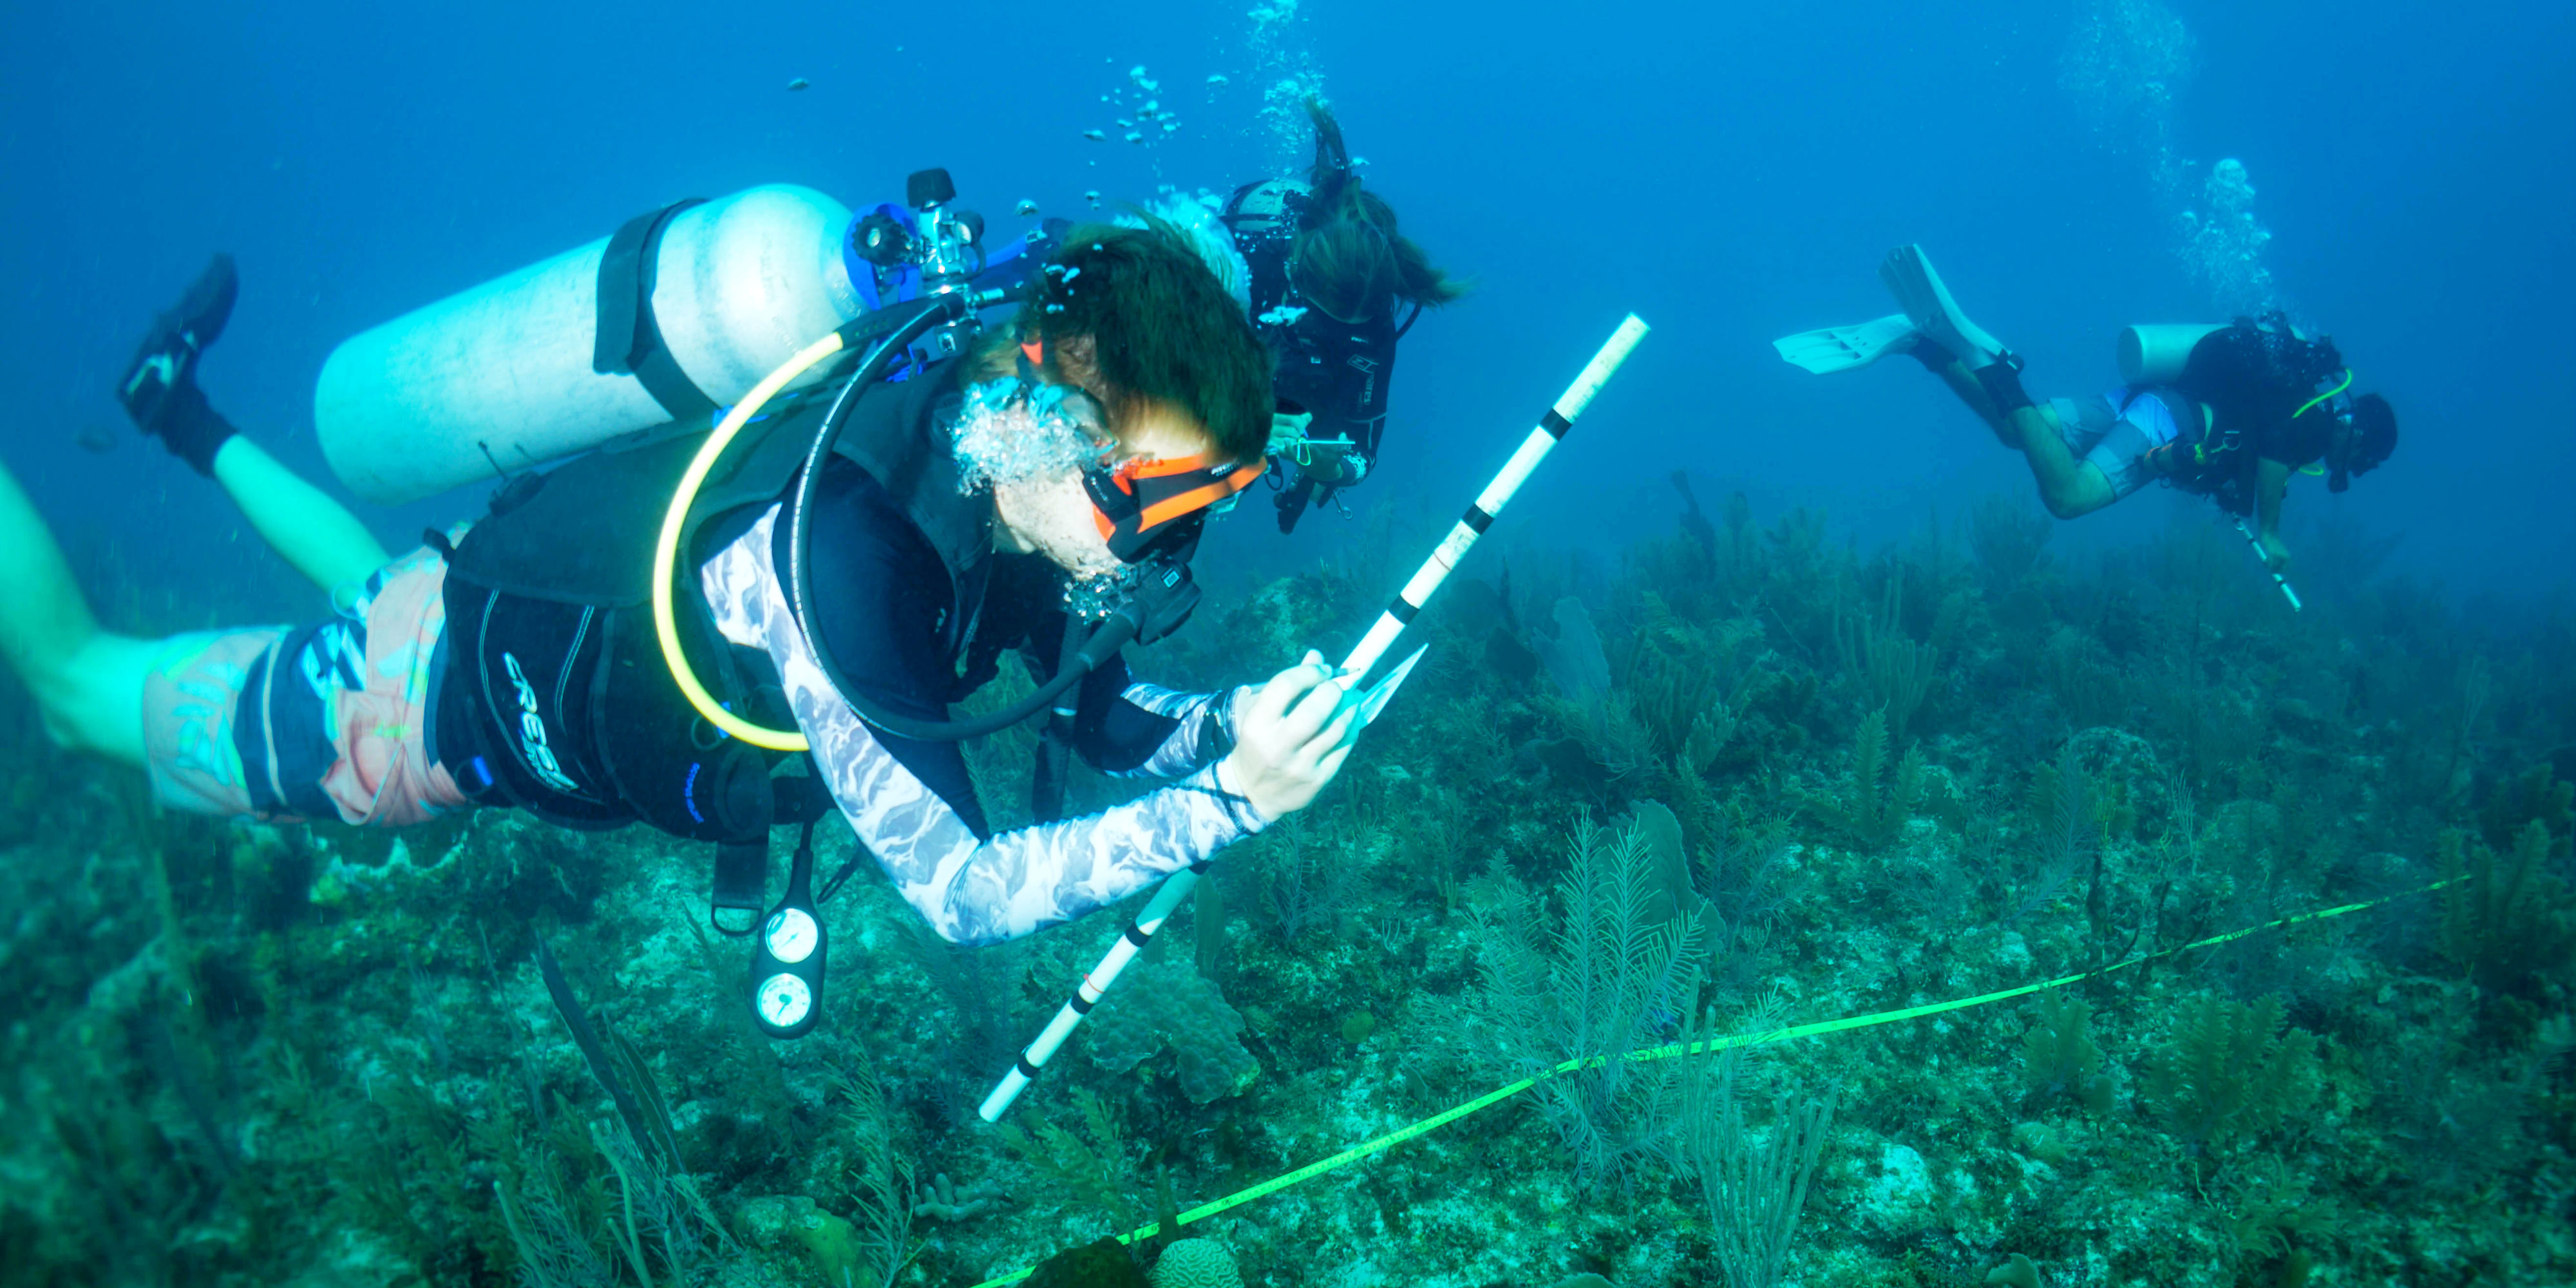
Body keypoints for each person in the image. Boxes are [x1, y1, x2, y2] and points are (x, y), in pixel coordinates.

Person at [3, 223, 1359, 962]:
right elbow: (961, 890)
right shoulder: (842, 565)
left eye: (1197, 515)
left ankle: (173, 414)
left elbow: (1095, 715)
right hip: (412, 713)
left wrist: (1237, 723)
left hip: (478, 595)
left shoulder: (986, 463)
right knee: (75, 691)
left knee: (380, 585)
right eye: (1146, 506)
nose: (1147, 558)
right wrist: (1232, 803)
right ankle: (156, 432)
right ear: (1046, 419)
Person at [1778, 245, 2398, 571]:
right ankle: (1996, 366)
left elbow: (2245, 451)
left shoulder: (2295, 396)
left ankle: (1925, 347)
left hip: (2151, 401)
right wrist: (2269, 533)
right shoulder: (2315, 423)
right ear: (2360, 438)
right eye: (2362, 461)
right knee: (2069, 496)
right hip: (2167, 419)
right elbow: (2271, 456)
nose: (2350, 468)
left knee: (2014, 433)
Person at [1217, 100, 1470, 533]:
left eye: (1354, 325)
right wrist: (1245, 424)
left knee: (1326, 390)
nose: (1338, 335)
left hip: (1288, 410)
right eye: (1327, 322)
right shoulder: (1248, 270)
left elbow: (1363, 451)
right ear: (1300, 284)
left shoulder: (1373, 334)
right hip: (1228, 377)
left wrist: (1326, 467)